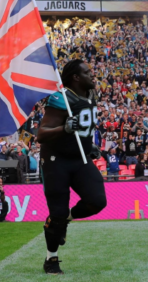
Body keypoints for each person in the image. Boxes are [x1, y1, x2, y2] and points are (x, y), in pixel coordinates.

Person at [36, 59, 107, 275]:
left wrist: (90, 144)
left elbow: (84, 127)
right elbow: (41, 134)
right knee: (56, 212)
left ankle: (66, 219)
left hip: (80, 157)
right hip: (56, 160)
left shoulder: (90, 95)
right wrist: (64, 127)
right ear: (76, 77)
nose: (92, 75)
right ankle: (51, 258)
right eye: (88, 72)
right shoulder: (60, 98)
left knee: (97, 201)